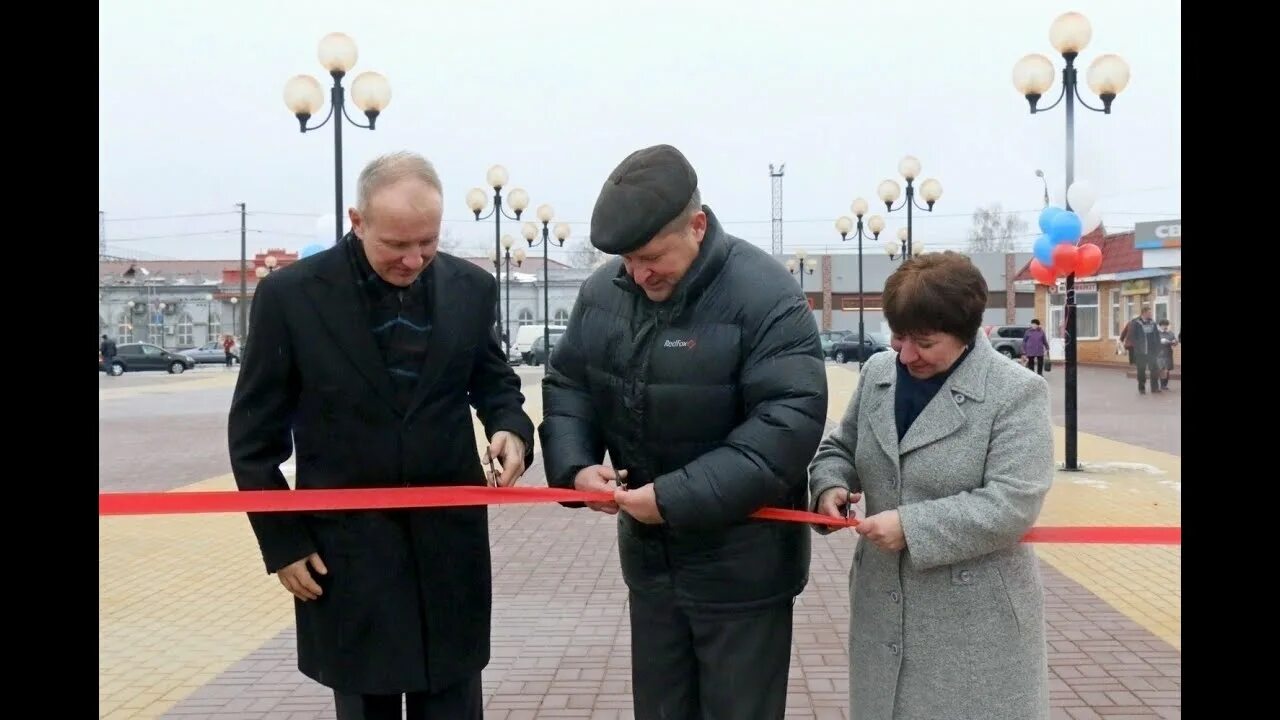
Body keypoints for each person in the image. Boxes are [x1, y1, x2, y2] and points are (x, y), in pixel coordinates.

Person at [227, 151, 535, 720]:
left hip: (448, 547)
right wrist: (283, 542)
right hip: (347, 552)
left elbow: (494, 383)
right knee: (365, 703)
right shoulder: (291, 299)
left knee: (453, 700)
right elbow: (252, 438)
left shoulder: (472, 289)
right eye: (396, 244)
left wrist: (511, 429)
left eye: (428, 241)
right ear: (357, 220)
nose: (414, 259)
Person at [540, 144, 828, 719]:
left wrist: (672, 498)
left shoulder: (765, 294)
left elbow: (786, 424)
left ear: (697, 226)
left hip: (743, 574)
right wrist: (575, 467)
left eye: (650, 256)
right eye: (627, 259)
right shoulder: (604, 294)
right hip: (651, 568)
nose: (638, 273)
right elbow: (568, 383)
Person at [809, 251, 1053, 719]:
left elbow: (1013, 503)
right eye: (898, 337)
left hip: (975, 627)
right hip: (882, 610)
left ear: (966, 335)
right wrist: (829, 486)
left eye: (923, 342)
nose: (905, 355)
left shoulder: (1015, 392)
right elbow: (840, 448)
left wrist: (912, 526)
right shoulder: (879, 374)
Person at [1124, 306, 1162, 394]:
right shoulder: (1135, 323)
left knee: (1154, 369)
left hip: (1152, 351)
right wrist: (1138, 346)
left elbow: (1157, 335)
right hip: (1141, 352)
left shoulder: (1152, 322)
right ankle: (1142, 388)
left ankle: (1154, 388)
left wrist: (1158, 347)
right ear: (1144, 313)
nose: (1151, 314)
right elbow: (1131, 336)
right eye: (1149, 313)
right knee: (1141, 370)